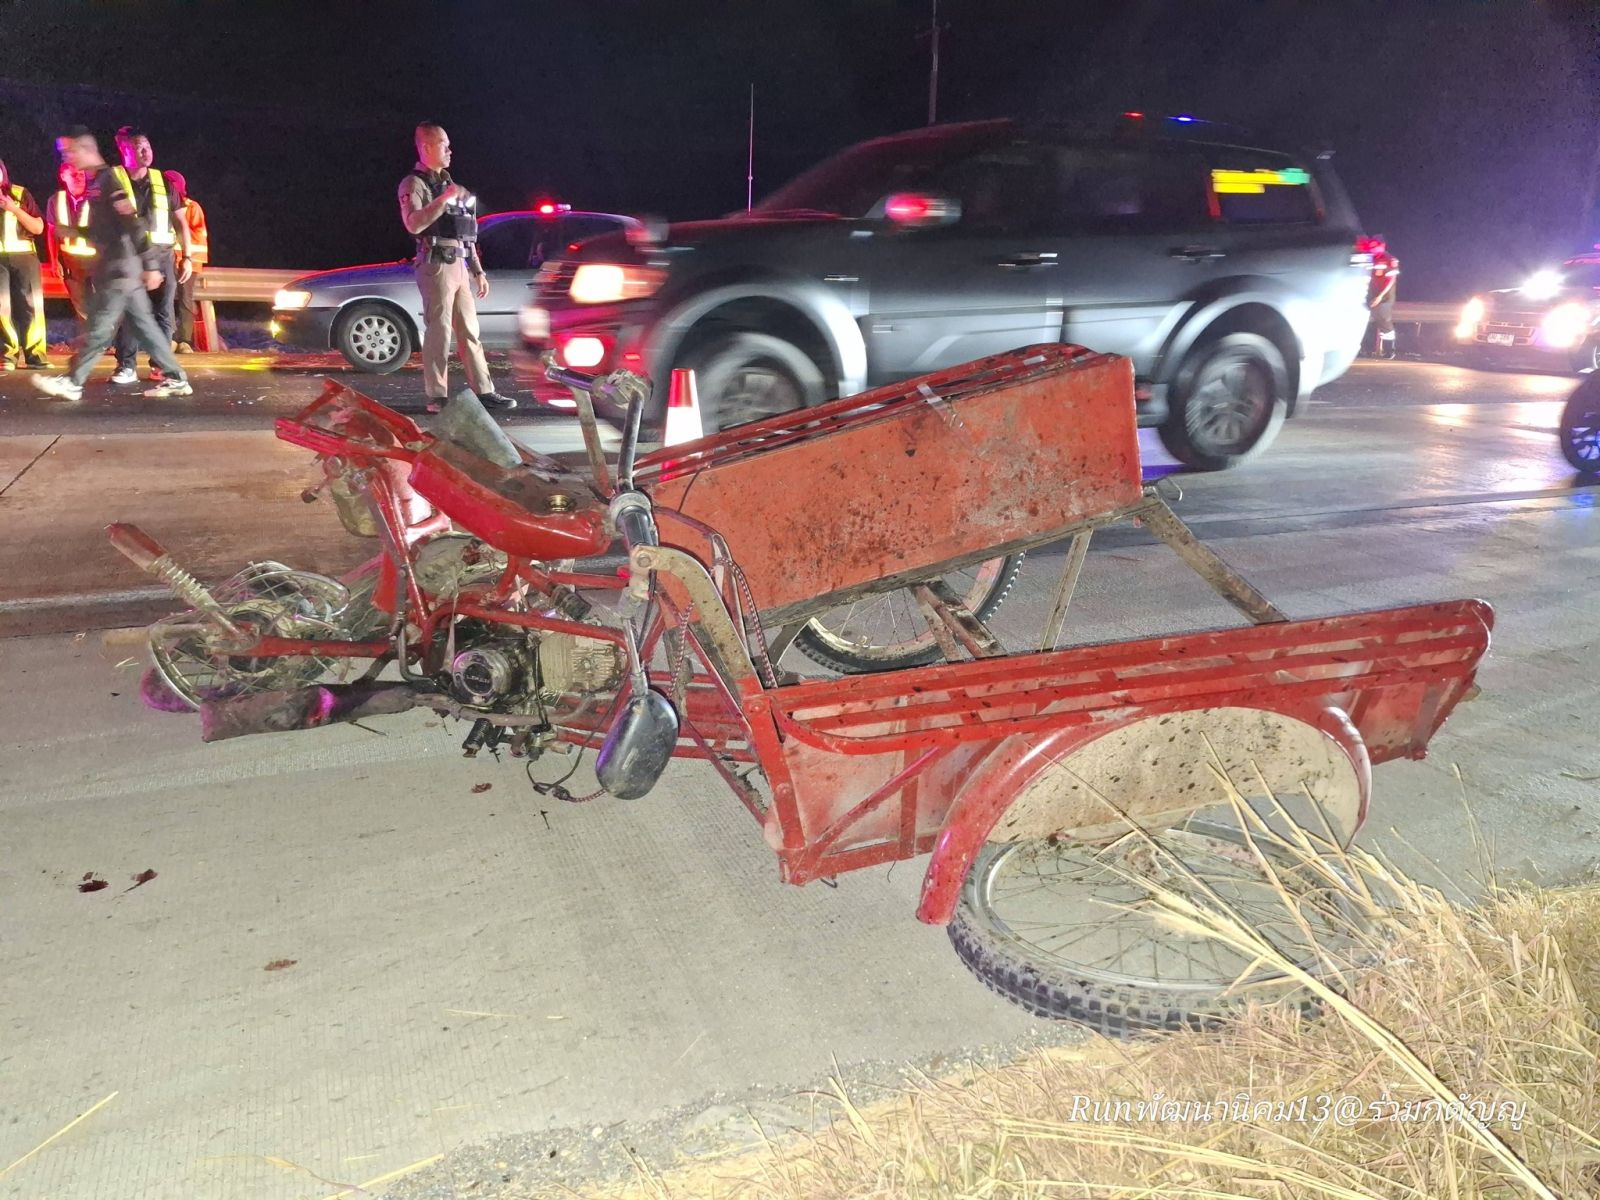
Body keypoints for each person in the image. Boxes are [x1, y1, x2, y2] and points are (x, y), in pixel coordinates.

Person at [31, 128, 192, 400]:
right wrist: (74, 231)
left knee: (99, 327)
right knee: (145, 327)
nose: (67, 158)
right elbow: (106, 230)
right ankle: (176, 378)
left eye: (69, 152)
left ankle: (74, 381)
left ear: (86, 150)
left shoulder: (108, 181)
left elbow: (133, 224)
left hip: (121, 269)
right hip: (117, 267)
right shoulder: (98, 183)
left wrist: (151, 265)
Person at [398, 122, 513, 413]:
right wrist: (442, 200)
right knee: (439, 332)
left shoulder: (451, 185)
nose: (450, 150)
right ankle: (437, 396)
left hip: (459, 263)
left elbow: (466, 232)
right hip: (436, 263)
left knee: (470, 331)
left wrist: (477, 270)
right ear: (426, 147)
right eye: (444, 144)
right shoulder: (414, 184)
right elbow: (413, 224)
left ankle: (485, 391)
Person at [109, 126, 190, 384]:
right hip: (129, 258)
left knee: (164, 313)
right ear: (124, 150)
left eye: (148, 146)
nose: (146, 152)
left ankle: (162, 366)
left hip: (163, 257)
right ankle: (126, 366)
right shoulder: (112, 180)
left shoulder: (163, 181)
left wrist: (187, 257)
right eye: (138, 147)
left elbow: (181, 222)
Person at [0, 158, 49, 370]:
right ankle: (7, 355)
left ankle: (35, 355)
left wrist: (13, 209)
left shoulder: (20, 194)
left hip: (24, 257)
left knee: (31, 305)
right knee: (2, 308)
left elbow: (38, 227)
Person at [46, 158, 96, 321]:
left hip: (96, 262)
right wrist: (54, 261)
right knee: (81, 306)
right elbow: (51, 232)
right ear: (63, 176)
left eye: (81, 173)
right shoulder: (55, 200)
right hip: (71, 264)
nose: (79, 177)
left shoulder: (96, 198)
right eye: (73, 174)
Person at [165, 170, 208, 351]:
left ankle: (184, 340)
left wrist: (187, 258)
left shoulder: (192, 207)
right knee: (166, 299)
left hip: (190, 261)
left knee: (185, 299)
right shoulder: (161, 206)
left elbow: (198, 236)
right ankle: (169, 337)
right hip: (168, 260)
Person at [1363, 234, 1400, 359]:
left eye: (1375, 246)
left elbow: (1391, 280)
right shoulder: (1370, 259)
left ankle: (1389, 351)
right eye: (1371, 247)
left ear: (1382, 245)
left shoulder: (1390, 259)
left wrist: (1380, 296)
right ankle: (1366, 350)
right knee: (1368, 322)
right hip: (1371, 296)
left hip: (1385, 298)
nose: (1373, 249)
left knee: (1384, 322)